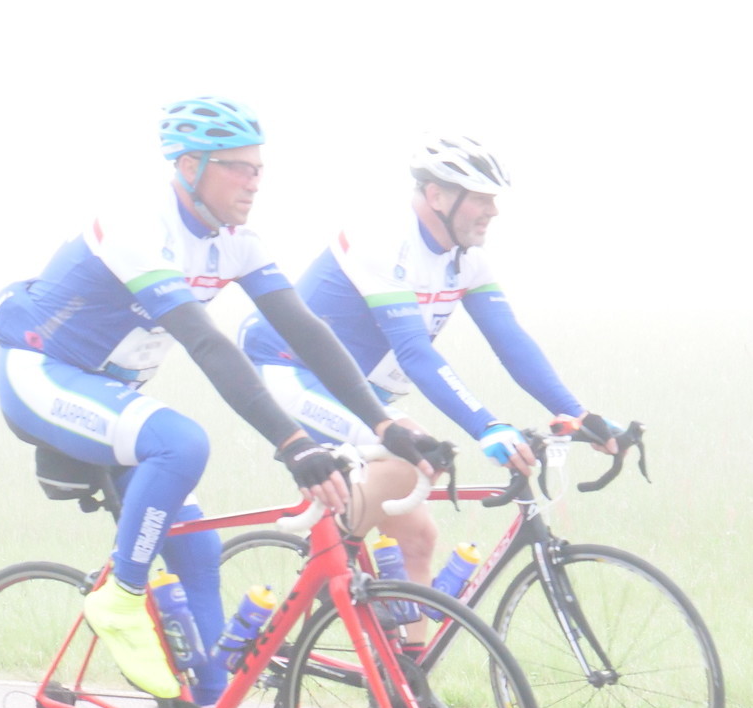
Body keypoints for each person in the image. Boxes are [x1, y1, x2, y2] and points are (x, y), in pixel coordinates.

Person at [0, 97, 453, 708]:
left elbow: (307, 332)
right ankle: (121, 598)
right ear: (187, 167)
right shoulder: (138, 227)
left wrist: (386, 426)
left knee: (200, 552)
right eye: (238, 168)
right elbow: (205, 342)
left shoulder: (236, 241)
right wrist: (293, 443)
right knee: (181, 440)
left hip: (110, 394)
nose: (253, 181)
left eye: (259, 168)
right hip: (43, 376)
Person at [240, 134, 621, 606]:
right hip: (288, 370)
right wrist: (487, 426)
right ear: (437, 195)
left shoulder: (468, 260)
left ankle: (407, 654)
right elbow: (415, 353)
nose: (493, 211)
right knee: (407, 455)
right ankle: (323, 574)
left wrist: (577, 413)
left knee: (417, 542)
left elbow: (510, 341)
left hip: (358, 391)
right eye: (481, 198)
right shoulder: (383, 242)